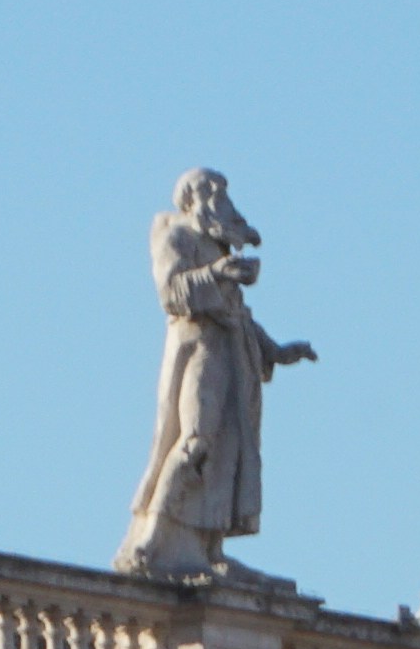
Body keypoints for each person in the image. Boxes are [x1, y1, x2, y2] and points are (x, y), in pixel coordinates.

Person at [117, 170, 311, 578]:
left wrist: (275, 350)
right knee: (196, 439)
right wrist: (217, 273)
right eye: (214, 192)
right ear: (193, 198)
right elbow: (171, 293)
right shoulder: (175, 236)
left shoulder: (216, 243)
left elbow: (236, 313)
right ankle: (151, 538)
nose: (223, 199)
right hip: (197, 347)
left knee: (226, 447)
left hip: (232, 352)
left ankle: (208, 546)